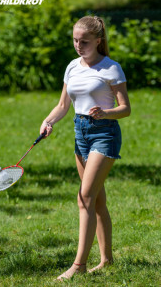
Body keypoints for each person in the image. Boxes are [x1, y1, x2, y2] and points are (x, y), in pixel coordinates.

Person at [40, 15, 131, 281]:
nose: (79, 45)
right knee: (97, 200)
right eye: (75, 40)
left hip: (104, 133)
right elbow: (63, 106)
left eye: (85, 41)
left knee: (84, 198)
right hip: (81, 134)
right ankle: (106, 261)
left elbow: (125, 109)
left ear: (99, 41)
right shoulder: (72, 67)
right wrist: (48, 122)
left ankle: (78, 266)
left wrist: (106, 112)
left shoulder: (111, 68)